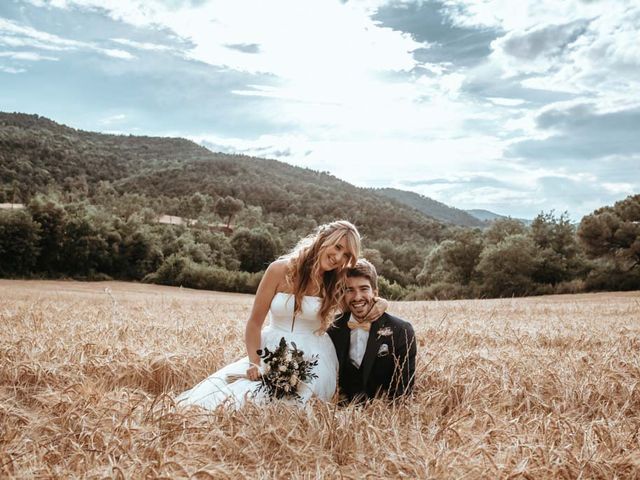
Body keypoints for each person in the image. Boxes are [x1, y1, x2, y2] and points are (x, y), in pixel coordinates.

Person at [176, 220, 384, 409]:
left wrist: (380, 303)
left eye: (347, 255)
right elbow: (255, 323)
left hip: (314, 356)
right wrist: (254, 362)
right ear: (322, 239)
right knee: (232, 399)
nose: (338, 257)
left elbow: (359, 298)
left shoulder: (336, 282)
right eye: (337, 247)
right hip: (270, 348)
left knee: (293, 409)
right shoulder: (278, 270)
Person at [328, 259, 416, 403]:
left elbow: (403, 391)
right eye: (349, 290)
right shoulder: (332, 328)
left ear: (375, 292)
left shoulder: (401, 331)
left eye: (364, 289)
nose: (357, 297)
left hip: (383, 418)